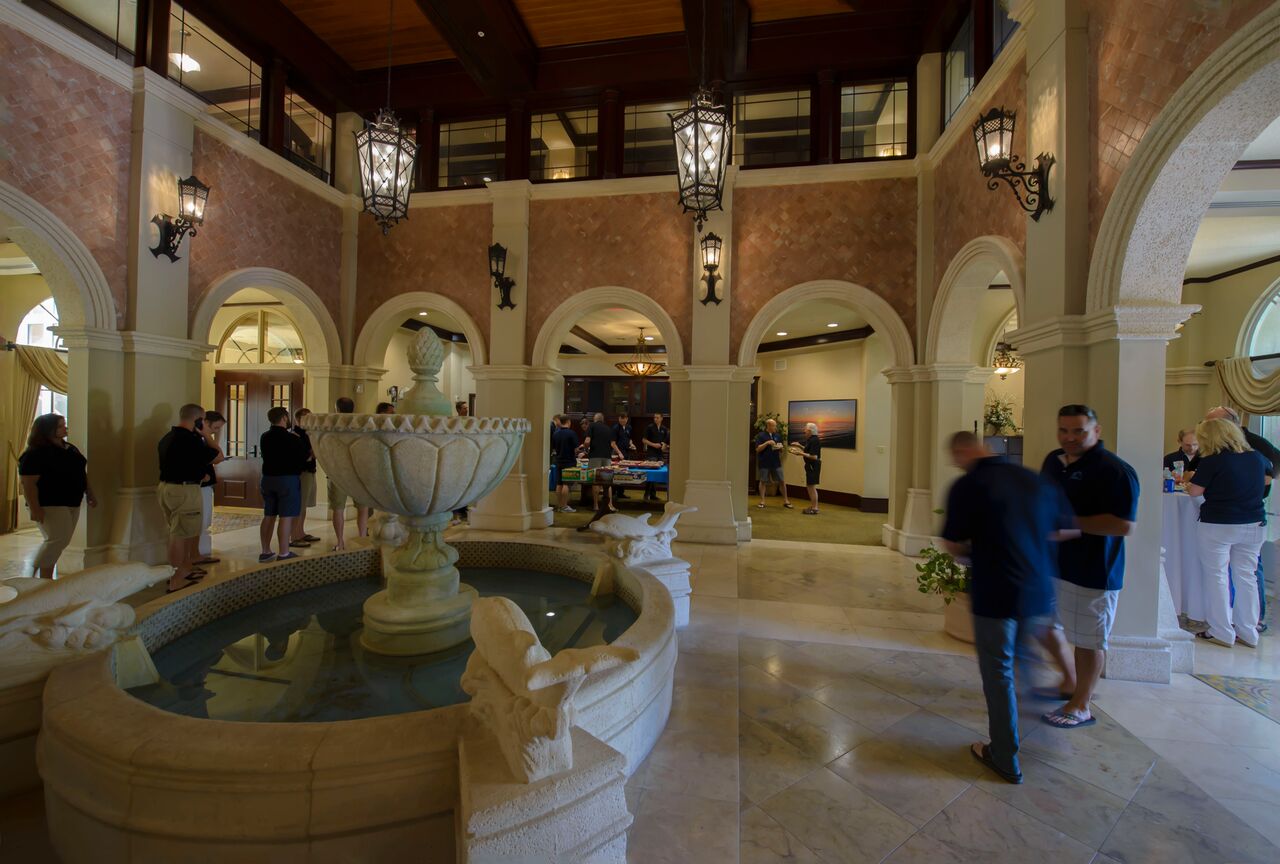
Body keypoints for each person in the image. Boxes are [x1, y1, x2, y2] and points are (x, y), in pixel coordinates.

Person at [942, 432, 1077, 784]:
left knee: (999, 671)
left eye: (956, 456)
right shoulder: (1033, 478)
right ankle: (1034, 736)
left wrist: (982, 553)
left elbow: (952, 544)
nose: (956, 462)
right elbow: (1066, 531)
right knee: (1026, 662)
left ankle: (1004, 755)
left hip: (995, 591)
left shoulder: (968, 485)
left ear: (964, 451)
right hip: (1037, 589)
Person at [1037, 405, 1139, 729]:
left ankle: (1081, 704)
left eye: (1079, 431)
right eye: (1064, 430)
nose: (1070, 438)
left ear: (1096, 430)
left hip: (1093, 569)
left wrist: (1067, 525)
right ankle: (1069, 681)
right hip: (1053, 563)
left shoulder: (1115, 471)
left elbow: (1123, 525)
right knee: (1040, 621)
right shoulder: (1054, 461)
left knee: (1089, 639)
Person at [1191, 406, 1279, 631]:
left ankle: (1222, 630)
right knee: (1246, 576)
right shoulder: (1257, 457)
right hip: (1254, 522)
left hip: (1220, 523)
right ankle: (1249, 629)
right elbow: (1268, 478)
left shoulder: (1214, 460)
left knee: (1217, 576)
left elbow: (1194, 491)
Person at [18, 413, 96, 580]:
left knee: (63, 540)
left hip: (72, 500)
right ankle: (37, 575)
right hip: (50, 502)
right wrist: (34, 508)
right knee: (57, 539)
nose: (65, 428)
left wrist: (89, 491)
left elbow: (81, 471)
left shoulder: (69, 448)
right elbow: (28, 483)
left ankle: (45, 575)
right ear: (48, 430)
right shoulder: (35, 454)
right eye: (60, 426)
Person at [157, 403, 219, 593]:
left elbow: (181, 462)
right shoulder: (190, 440)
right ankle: (176, 580)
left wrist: (200, 473)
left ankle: (183, 571)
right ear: (199, 419)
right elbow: (217, 455)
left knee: (178, 532)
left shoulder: (167, 437)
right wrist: (206, 434)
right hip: (184, 491)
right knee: (180, 535)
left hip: (166, 488)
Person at [258, 406, 308, 563]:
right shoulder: (292, 438)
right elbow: (303, 458)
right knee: (286, 516)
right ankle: (284, 552)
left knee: (269, 515)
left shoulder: (265, 436)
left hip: (268, 479)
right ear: (284, 418)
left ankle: (265, 551)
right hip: (287, 479)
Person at [329, 396, 370, 551]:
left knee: (338, 509)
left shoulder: (332, 424)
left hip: (338, 471)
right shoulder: (359, 424)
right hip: (358, 472)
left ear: (337, 408)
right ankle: (362, 539)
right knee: (363, 507)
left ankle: (340, 542)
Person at [194, 410, 227, 569]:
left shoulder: (201, 440)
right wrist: (206, 435)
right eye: (215, 427)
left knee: (204, 520)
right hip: (199, 488)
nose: (216, 431)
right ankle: (196, 554)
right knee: (200, 521)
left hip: (203, 487)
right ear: (205, 423)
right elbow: (219, 456)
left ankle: (197, 553)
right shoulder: (198, 439)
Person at [290, 408, 321, 547]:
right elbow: (304, 454)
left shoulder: (308, 433)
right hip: (301, 472)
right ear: (298, 419)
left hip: (310, 470)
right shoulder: (296, 435)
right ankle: (294, 535)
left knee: (305, 505)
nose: (309, 420)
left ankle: (301, 532)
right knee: (299, 505)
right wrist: (312, 453)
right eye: (306, 417)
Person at [584, 412, 624, 513]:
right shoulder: (608, 428)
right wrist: (619, 453)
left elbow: (587, 441)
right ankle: (610, 504)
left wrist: (585, 448)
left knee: (596, 481)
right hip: (607, 457)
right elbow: (612, 443)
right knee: (607, 481)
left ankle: (596, 505)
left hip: (595, 456)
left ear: (595, 419)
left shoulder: (592, 426)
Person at [754, 418, 791, 509]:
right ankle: (762, 501)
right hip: (764, 462)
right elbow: (758, 449)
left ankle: (786, 500)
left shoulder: (778, 436)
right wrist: (767, 443)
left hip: (776, 463)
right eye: (774, 425)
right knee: (763, 481)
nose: (776, 427)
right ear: (769, 426)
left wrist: (780, 448)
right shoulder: (760, 436)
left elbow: (781, 449)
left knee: (781, 481)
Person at [551, 415, 579, 513]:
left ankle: (559, 505)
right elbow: (576, 449)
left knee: (559, 484)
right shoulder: (571, 433)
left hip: (558, 460)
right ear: (568, 421)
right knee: (566, 484)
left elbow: (554, 448)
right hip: (569, 461)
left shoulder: (556, 433)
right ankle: (565, 506)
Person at [642, 413, 670, 502]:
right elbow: (644, 440)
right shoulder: (650, 427)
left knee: (656, 476)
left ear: (661, 418)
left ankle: (653, 495)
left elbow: (666, 442)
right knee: (650, 475)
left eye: (657, 418)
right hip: (651, 454)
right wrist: (654, 445)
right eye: (654, 418)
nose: (655, 419)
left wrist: (664, 446)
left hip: (660, 455)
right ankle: (646, 494)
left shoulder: (664, 429)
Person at [452, 401, 470, 525]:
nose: (466, 410)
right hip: (457, 457)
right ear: (458, 410)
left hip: (466, 456)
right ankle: (456, 514)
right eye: (464, 408)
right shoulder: (454, 422)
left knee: (465, 486)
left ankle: (464, 511)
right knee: (456, 486)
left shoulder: (469, 422)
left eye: (466, 408)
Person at [799, 422, 822, 515]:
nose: (804, 431)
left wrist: (799, 453)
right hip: (810, 466)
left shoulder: (815, 440)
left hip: (813, 466)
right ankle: (813, 506)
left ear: (810, 431)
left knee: (811, 487)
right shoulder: (811, 439)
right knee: (810, 486)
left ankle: (815, 508)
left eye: (805, 429)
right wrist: (799, 446)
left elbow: (814, 456)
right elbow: (808, 450)